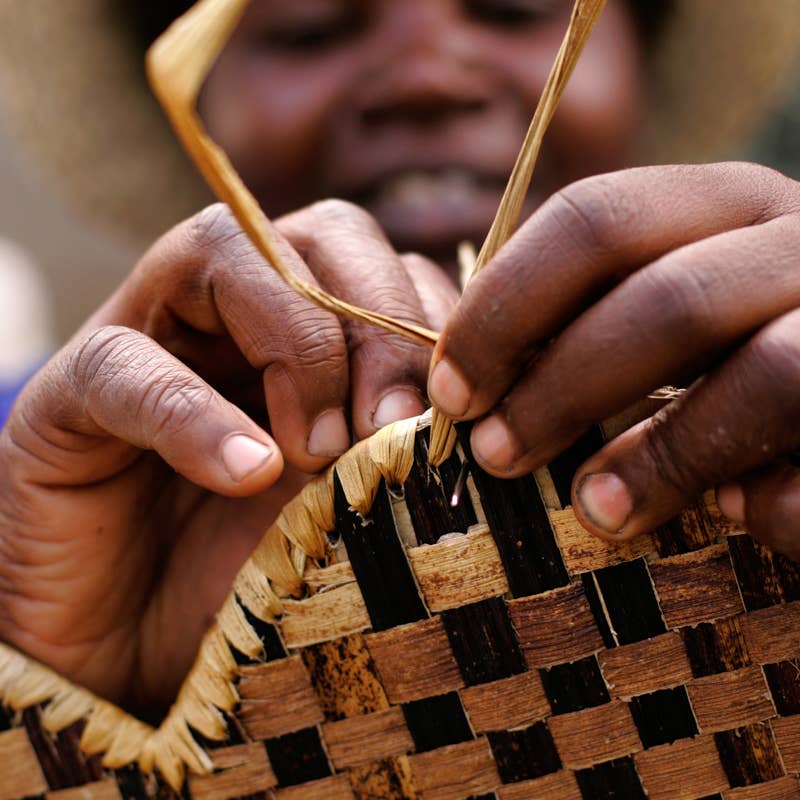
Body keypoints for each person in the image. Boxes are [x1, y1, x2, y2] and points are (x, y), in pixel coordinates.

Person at [0, 0, 799, 717]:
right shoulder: (50, 485)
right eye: (309, 25)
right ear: (192, 100)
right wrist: (70, 707)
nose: (426, 78)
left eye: (514, 7)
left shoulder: (770, 440)